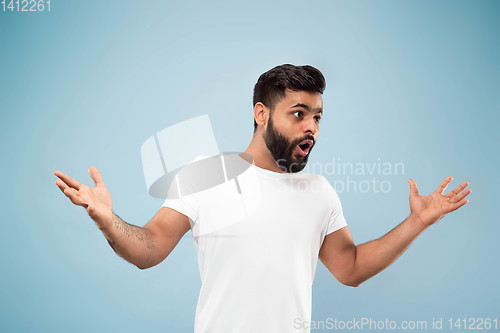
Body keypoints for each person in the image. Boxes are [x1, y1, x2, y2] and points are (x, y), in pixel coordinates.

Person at [54, 64, 471, 333]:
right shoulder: (206, 174)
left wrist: (417, 222)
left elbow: (352, 268)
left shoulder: (318, 192)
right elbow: (151, 248)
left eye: (318, 117)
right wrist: (108, 220)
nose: (313, 128)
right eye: (299, 113)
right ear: (261, 114)